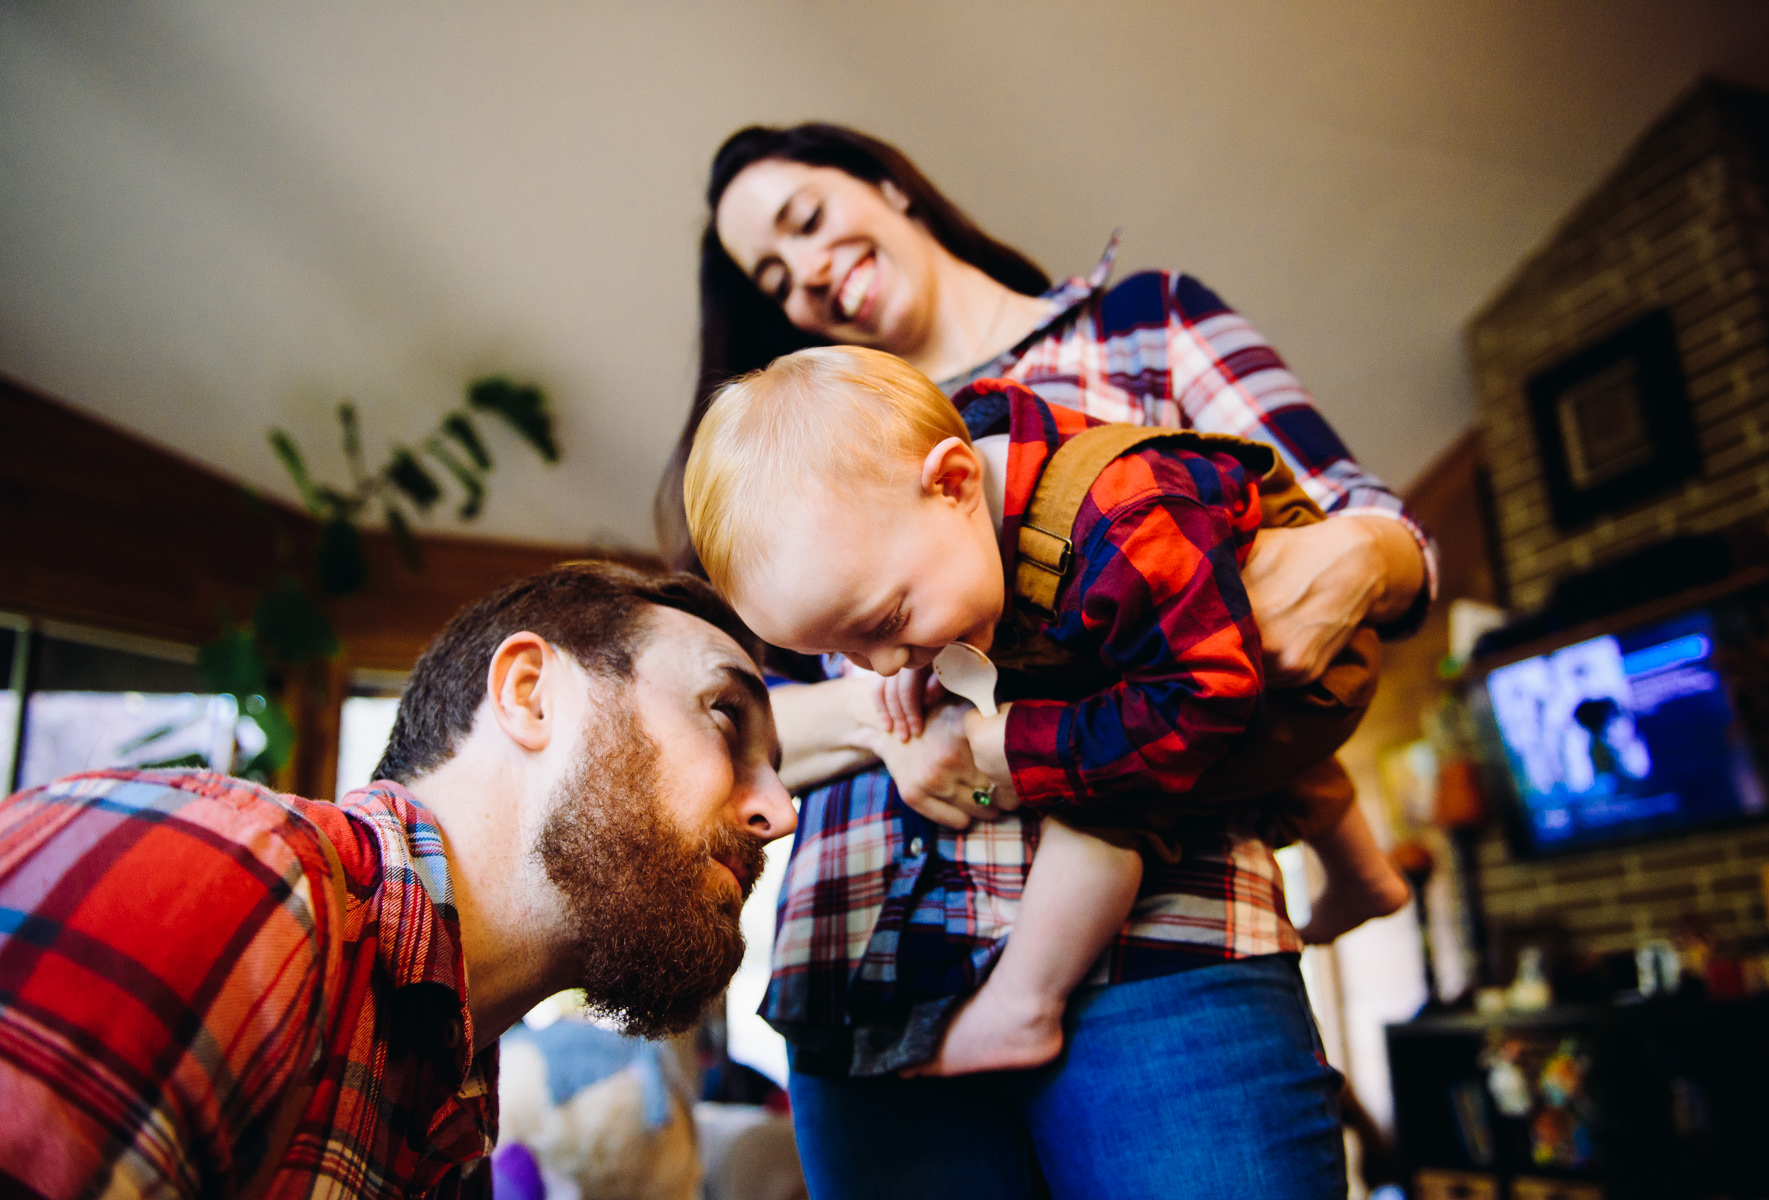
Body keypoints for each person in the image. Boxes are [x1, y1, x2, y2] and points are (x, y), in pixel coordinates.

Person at [660, 122, 1438, 1198]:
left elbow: (1367, 536)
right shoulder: (783, 469)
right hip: (864, 978)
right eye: (774, 277)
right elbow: (729, 741)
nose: (809, 278)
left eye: (805, 219)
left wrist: (1357, 554)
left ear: (888, 183)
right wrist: (894, 729)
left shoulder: (1140, 328)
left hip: (1169, 954)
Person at [684, 345, 1410, 1078]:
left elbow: (1204, 700)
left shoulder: (1126, 521)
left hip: (1293, 675)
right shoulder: (938, 520)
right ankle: (1364, 874)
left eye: (883, 623)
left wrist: (1029, 750)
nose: (887, 664)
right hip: (1198, 657)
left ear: (955, 481)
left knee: (1114, 788)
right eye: (847, 650)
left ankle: (1025, 1006)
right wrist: (903, 658)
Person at [0, 561, 795, 1199]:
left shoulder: (454, 1133)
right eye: (726, 715)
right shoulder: (233, 869)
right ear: (530, 694)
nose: (780, 811)